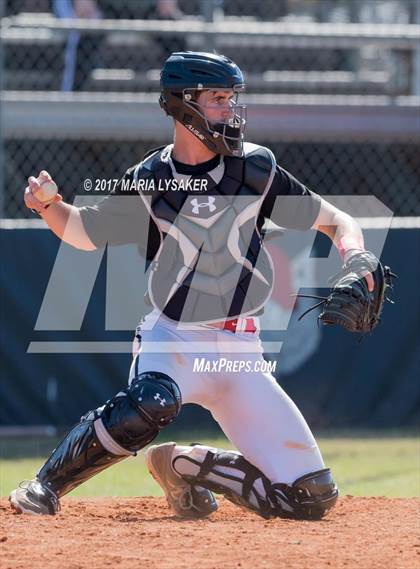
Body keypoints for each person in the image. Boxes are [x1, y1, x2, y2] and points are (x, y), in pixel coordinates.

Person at [10, 51, 374, 519]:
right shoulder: (151, 179)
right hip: (174, 339)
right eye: (218, 98)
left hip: (242, 352)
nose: (230, 109)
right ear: (184, 105)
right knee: (149, 403)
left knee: (311, 498)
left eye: (231, 98)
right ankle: (46, 485)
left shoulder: (255, 170)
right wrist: (49, 205)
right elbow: (82, 231)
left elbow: (337, 220)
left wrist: (357, 255)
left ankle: (183, 464)